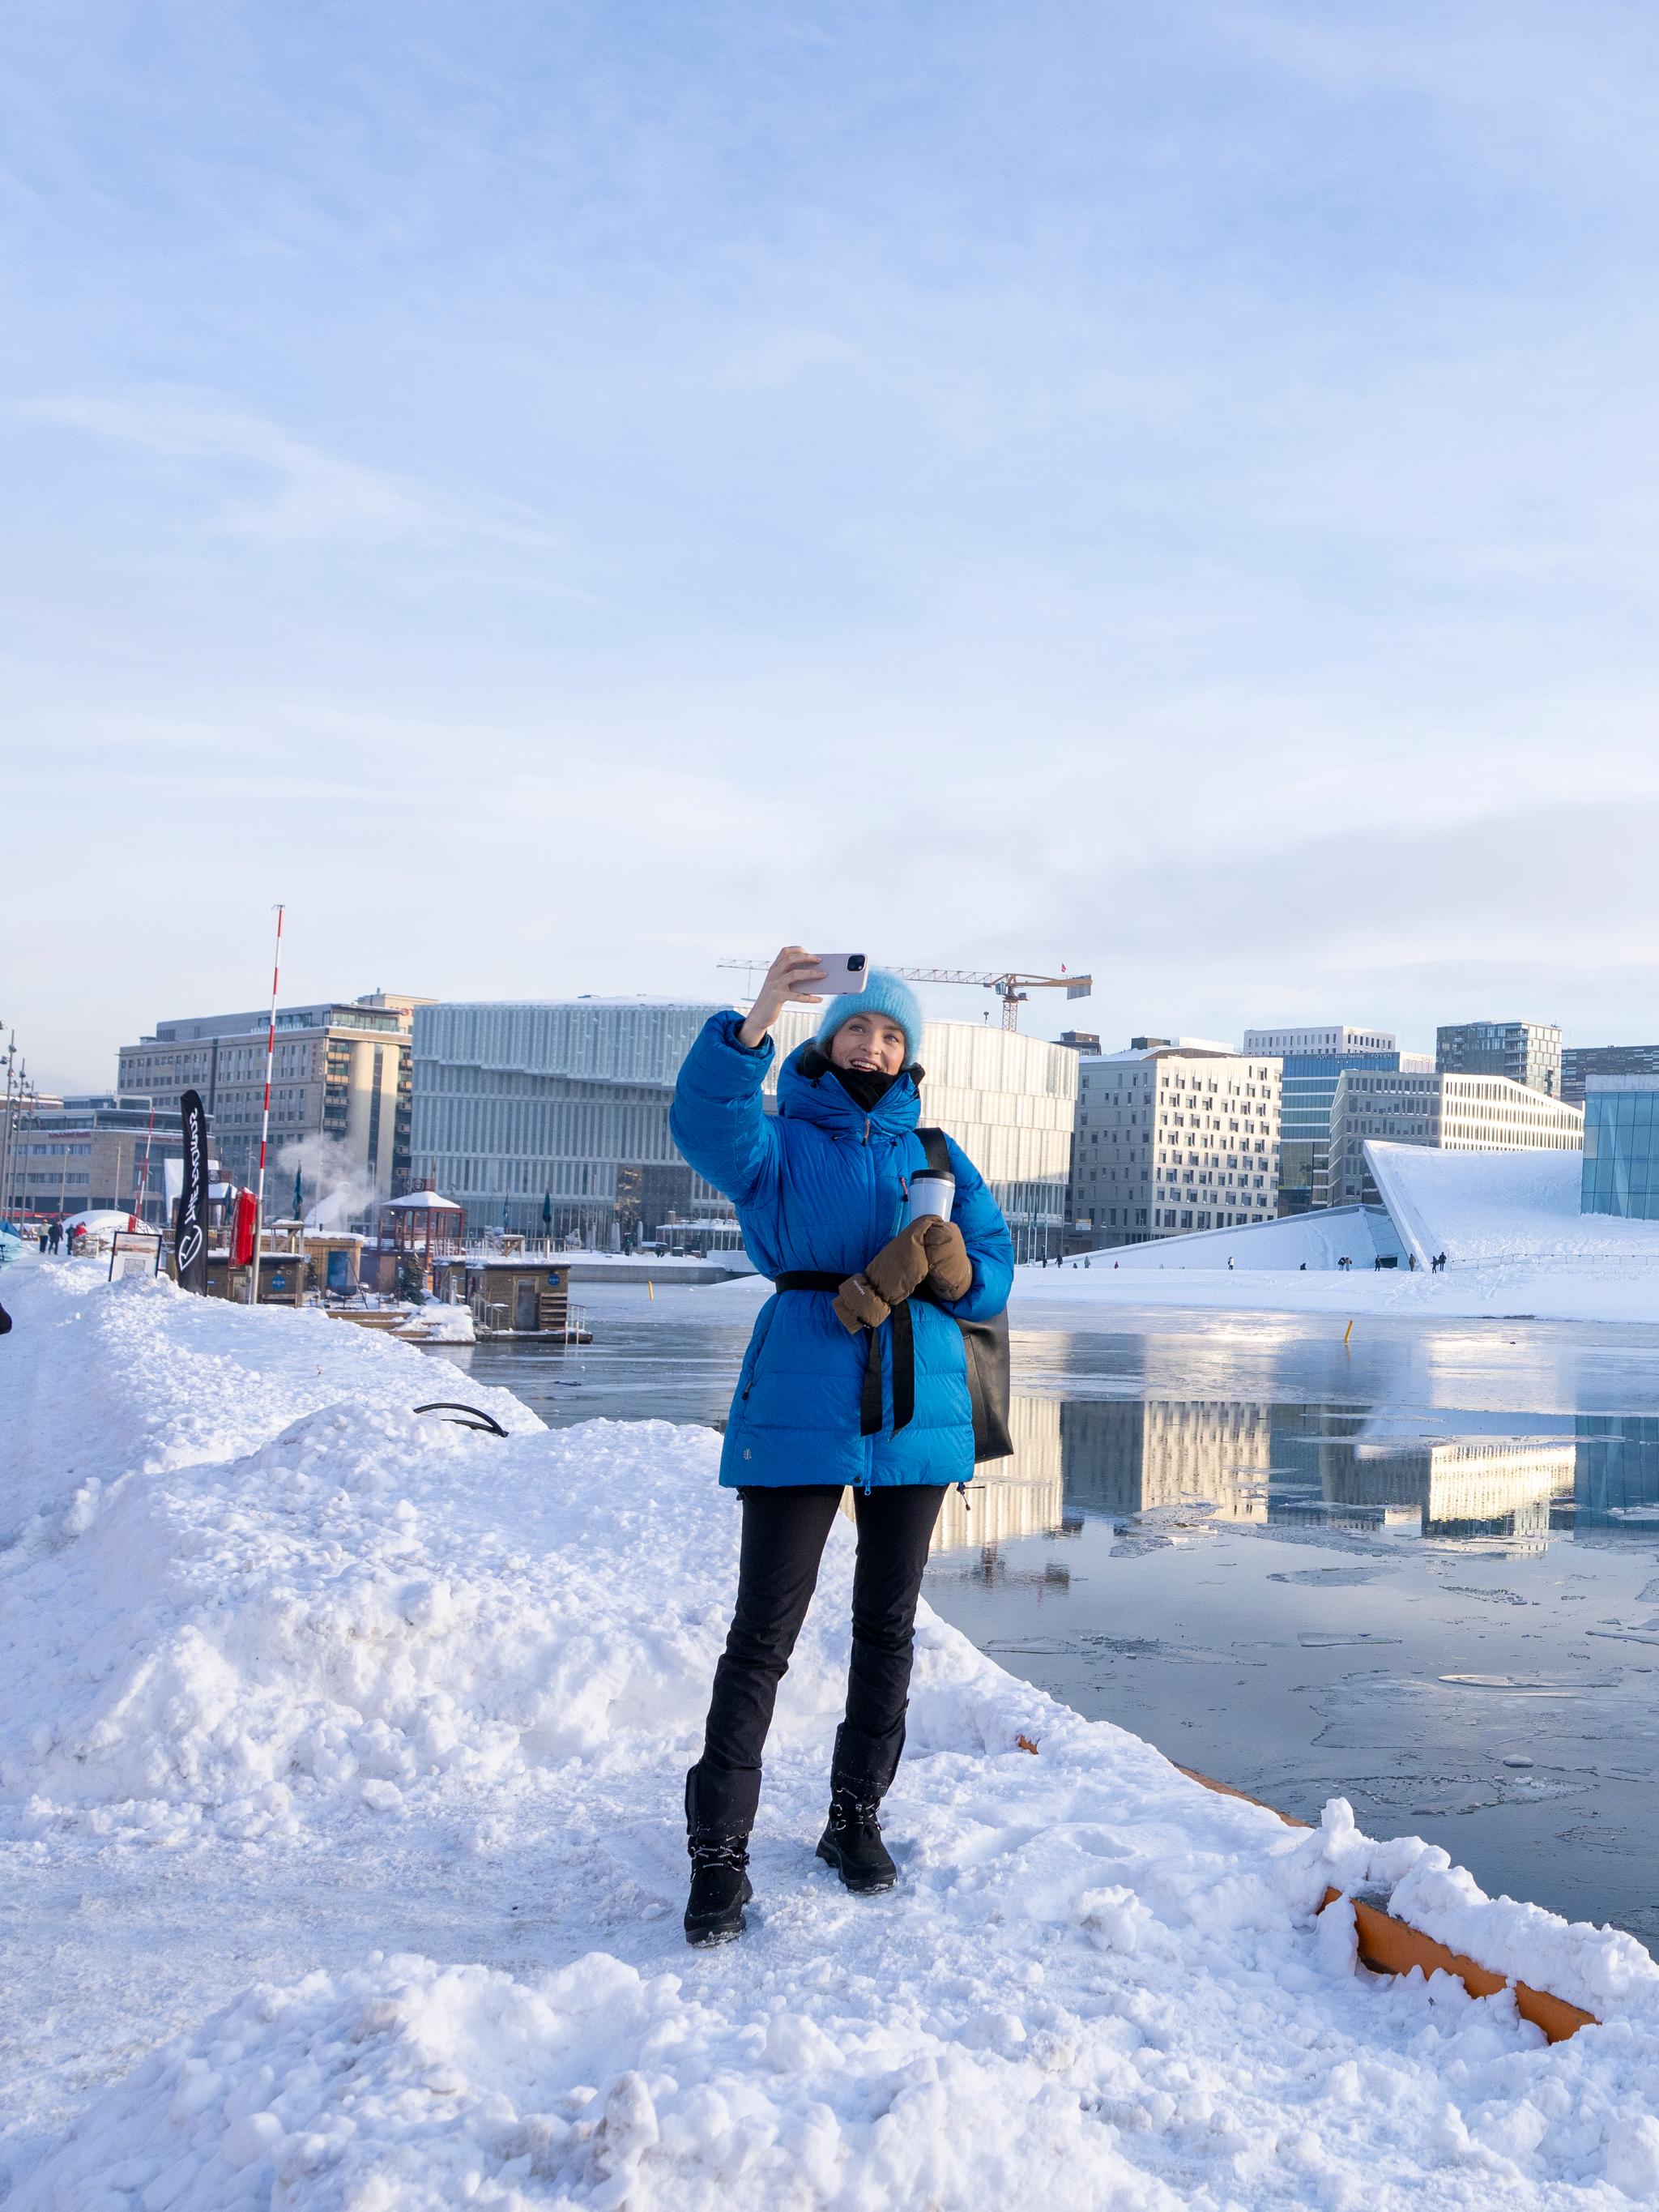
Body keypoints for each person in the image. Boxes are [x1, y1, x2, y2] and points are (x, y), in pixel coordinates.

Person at [669, 948, 1014, 1948]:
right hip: (803, 1393)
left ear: (909, 1055)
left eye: (891, 1034)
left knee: (887, 1628)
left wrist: (954, 1270)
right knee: (761, 1638)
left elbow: (993, 1274)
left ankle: (853, 1819)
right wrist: (760, 1011)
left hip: (915, 1408)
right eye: (858, 1028)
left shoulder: (938, 1155)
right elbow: (703, 1123)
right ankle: (718, 1858)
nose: (873, 1045)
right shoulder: (772, 1143)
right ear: (824, 1041)